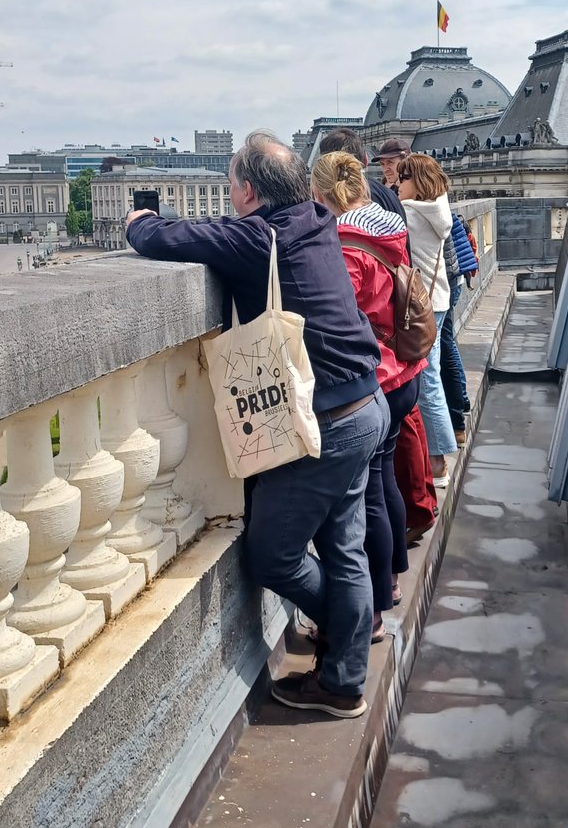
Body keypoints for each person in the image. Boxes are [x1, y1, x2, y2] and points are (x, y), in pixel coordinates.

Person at [125, 130, 387, 720]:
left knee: (272, 556)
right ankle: (344, 666)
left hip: (323, 425)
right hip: (365, 404)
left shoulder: (256, 235)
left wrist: (138, 218)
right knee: (343, 548)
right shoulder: (315, 218)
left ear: (245, 191)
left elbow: (165, 237)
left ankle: (347, 651)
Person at [311, 152, 423, 628]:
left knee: (370, 494)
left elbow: (341, 314)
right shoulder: (388, 225)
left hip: (377, 374)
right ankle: (393, 575)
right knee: (385, 483)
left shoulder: (346, 244)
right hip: (406, 371)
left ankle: (376, 602)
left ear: (319, 195)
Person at [396, 153, 457, 481]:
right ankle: (436, 456)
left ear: (417, 183)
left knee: (427, 380)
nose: (397, 184)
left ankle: (437, 461)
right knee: (430, 376)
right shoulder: (439, 210)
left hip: (419, 305)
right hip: (438, 299)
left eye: (403, 178)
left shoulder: (409, 214)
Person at [439, 213, 477, 445]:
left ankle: (456, 423)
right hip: (453, 282)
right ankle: (461, 402)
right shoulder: (442, 208)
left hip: (445, 286)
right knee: (448, 343)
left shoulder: (428, 208)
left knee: (444, 348)